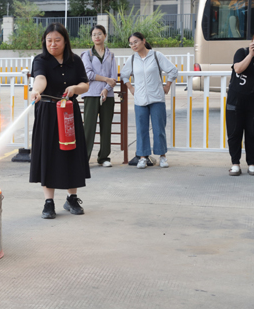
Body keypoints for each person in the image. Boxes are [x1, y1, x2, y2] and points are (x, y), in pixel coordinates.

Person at [30, 23, 90, 219]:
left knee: (71, 151)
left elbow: (85, 85)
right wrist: (36, 90)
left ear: (65, 41)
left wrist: (75, 88)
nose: (53, 44)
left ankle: (72, 198)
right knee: (48, 154)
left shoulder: (75, 60)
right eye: (49, 40)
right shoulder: (40, 60)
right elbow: (41, 79)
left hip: (68, 112)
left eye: (57, 40)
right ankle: (49, 202)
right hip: (48, 112)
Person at [120, 32, 178, 169]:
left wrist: (167, 85)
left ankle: (162, 156)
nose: (133, 45)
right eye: (131, 43)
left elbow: (173, 70)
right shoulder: (132, 59)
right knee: (141, 129)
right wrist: (130, 88)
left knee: (159, 129)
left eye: (136, 42)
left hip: (157, 98)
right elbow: (124, 75)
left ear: (143, 41)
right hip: (140, 99)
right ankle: (142, 157)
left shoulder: (156, 55)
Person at [226, 28, 254, 176]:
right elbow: (238, 69)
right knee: (234, 133)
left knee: (253, 133)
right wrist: (251, 54)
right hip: (235, 101)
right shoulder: (242, 52)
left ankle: (252, 164)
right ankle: (235, 164)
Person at [80, 25, 117, 167]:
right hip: (91, 94)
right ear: (91, 37)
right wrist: (106, 79)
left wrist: (107, 89)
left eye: (100, 34)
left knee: (106, 127)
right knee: (89, 127)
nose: (97, 36)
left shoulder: (111, 55)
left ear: (105, 36)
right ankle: (84, 158)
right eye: (94, 34)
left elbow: (113, 77)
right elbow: (88, 74)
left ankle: (104, 157)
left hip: (108, 95)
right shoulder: (87, 54)